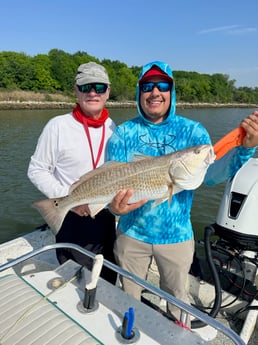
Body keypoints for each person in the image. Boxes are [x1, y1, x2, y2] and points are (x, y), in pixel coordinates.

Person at [107, 60, 258, 326]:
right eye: (147, 86)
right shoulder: (123, 133)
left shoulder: (193, 132)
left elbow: (210, 176)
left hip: (176, 237)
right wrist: (113, 208)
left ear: (171, 91)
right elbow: (112, 185)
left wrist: (244, 149)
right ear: (139, 92)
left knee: (178, 300)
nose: (155, 92)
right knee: (128, 296)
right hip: (130, 234)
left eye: (162, 85)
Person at [28, 61, 117, 284]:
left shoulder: (114, 128)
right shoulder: (57, 126)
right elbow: (36, 169)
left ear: (108, 92)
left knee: (107, 277)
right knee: (77, 281)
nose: (93, 93)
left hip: (106, 215)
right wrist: (69, 198)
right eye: (86, 87)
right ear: (76, 91)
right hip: (71, 216)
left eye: (99, 87)